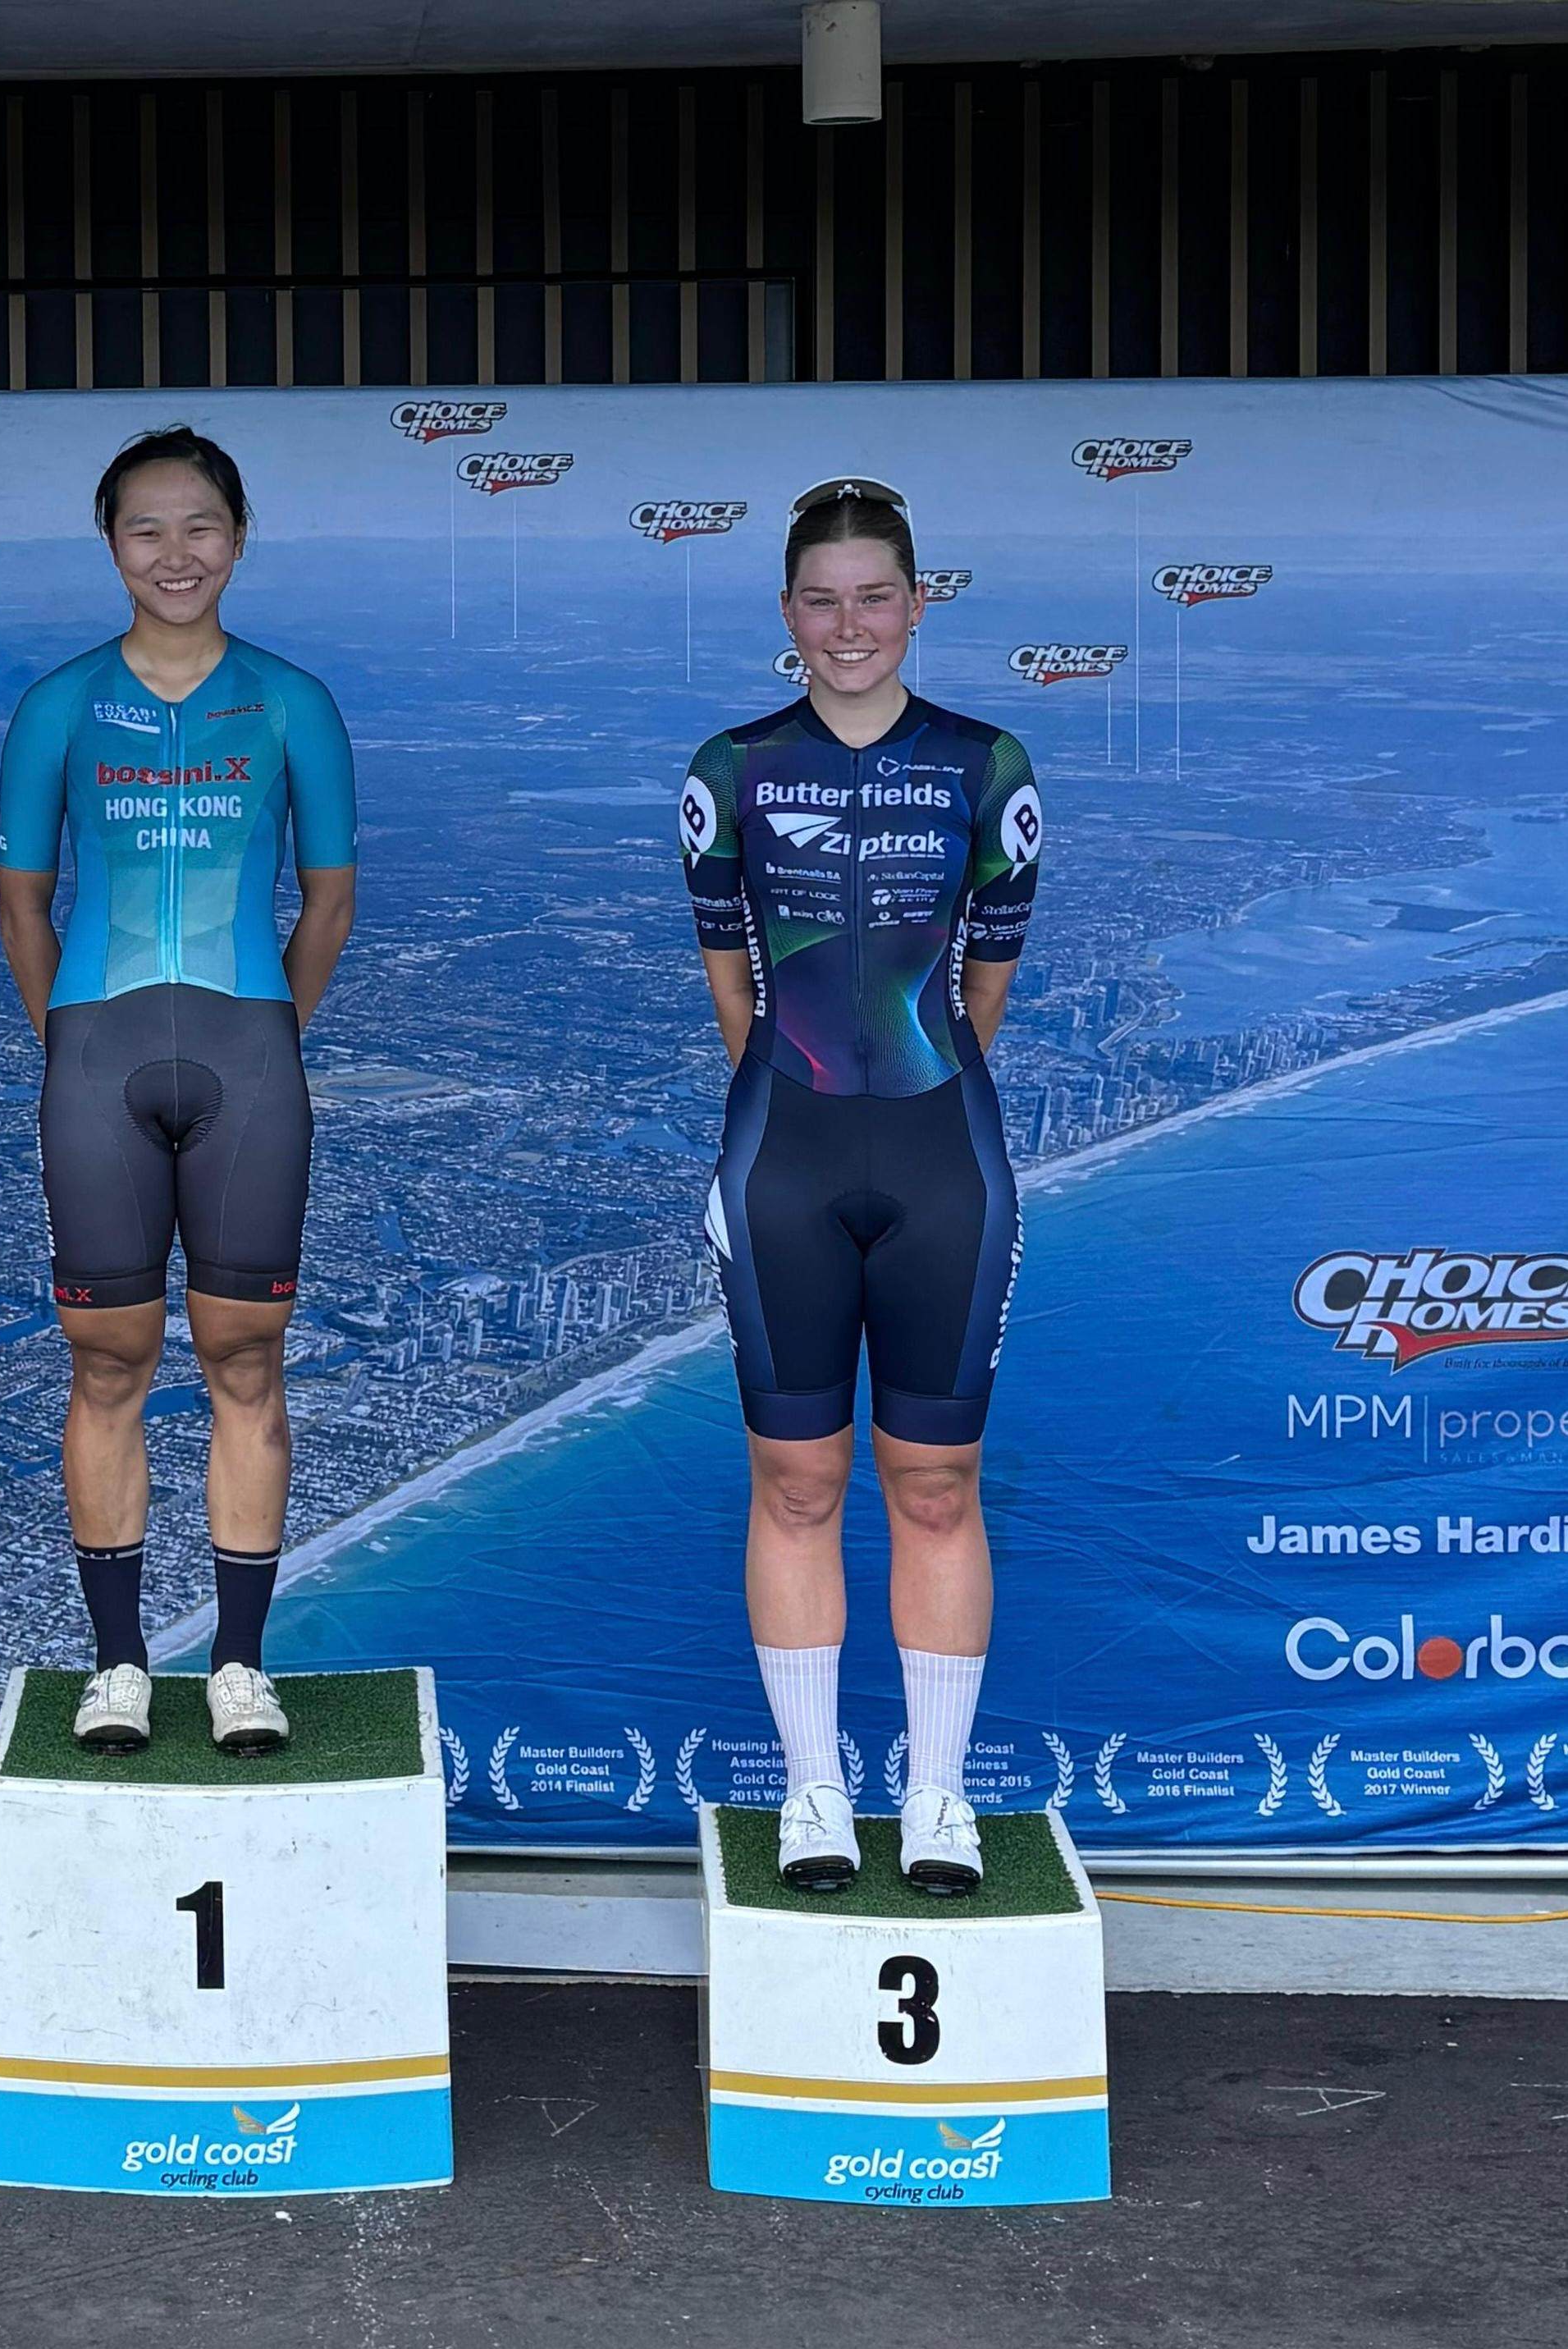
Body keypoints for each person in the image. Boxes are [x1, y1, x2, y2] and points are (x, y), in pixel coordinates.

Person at [678, 478, 1042, 1895]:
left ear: (915, 603)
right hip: (787, 1144)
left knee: (938, 1484)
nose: (847, 625)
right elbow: (729, 974)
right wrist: (797, 1087)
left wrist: (912, 1077)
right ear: (787, 614)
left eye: (873, 595)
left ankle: (936, 1796)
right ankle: (816, 1792)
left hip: (944, 1144)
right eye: (819, 600)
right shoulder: (733, 768)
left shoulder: (985, 762)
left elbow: (985, 975)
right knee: (795, 1476)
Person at [0, 427, 357, 1757]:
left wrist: (272, 1023)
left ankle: (242, 1667)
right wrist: (65, 1037)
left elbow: (327, 898)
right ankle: (117, 1663)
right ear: (111, 546)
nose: (175, 553)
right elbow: (23, 898)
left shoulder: (291, 702)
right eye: (146, 529)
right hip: (93, 1055)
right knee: (107, 1362)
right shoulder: (58, 706)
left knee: (245, 1358)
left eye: (199, 525)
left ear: (240, 537)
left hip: (247, 1054)